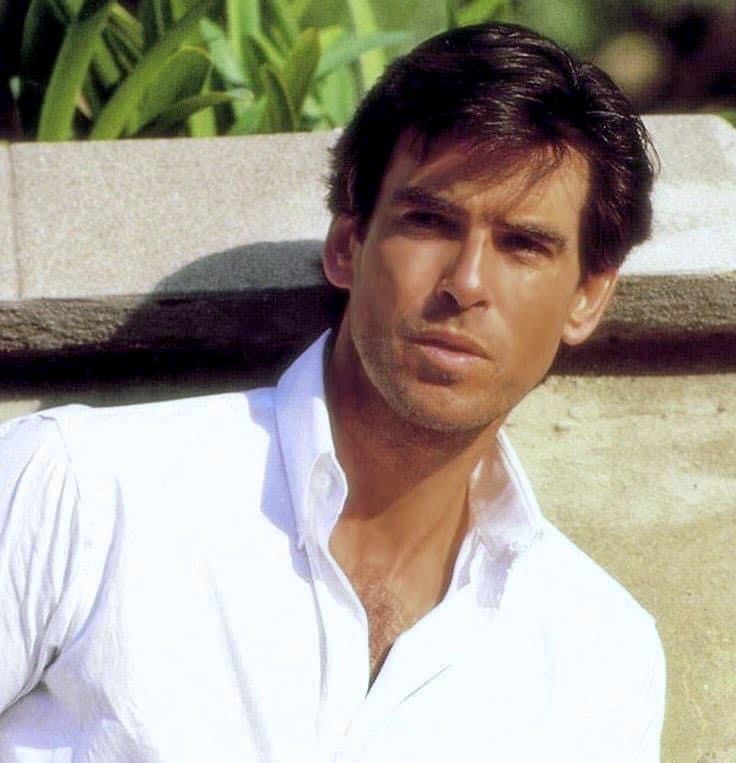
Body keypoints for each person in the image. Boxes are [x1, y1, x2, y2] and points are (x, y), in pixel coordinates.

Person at [0, 22, 665, 762]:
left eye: (523, 245)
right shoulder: (86, 490)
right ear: (348, 245)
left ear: (588, 298)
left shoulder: (602, 658)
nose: (466, 283)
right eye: (428, 222)